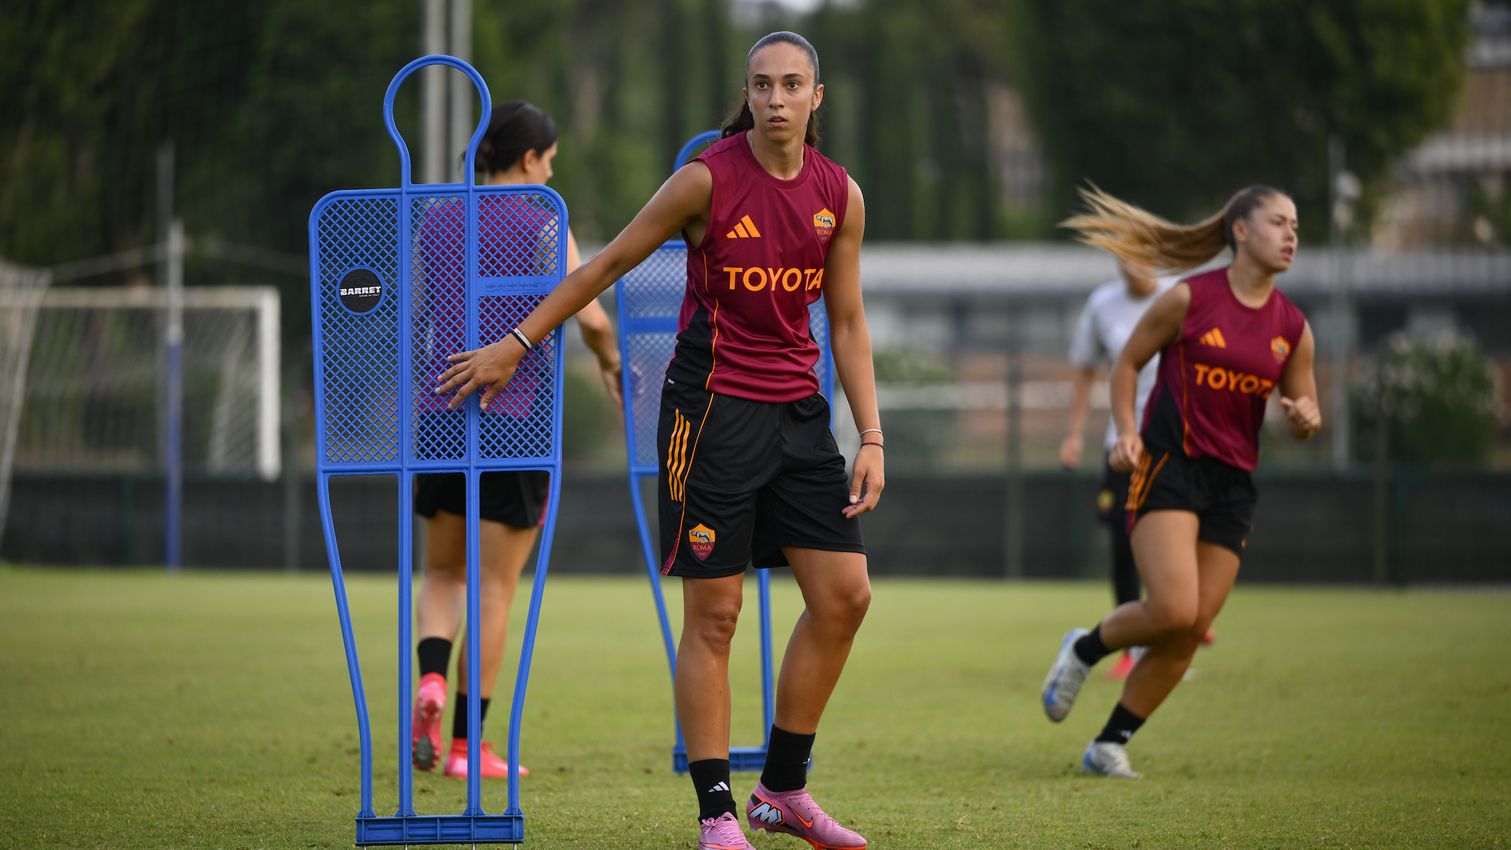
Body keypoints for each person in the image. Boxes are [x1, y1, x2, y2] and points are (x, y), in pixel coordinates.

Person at [436, 31, 881, 850]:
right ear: (745, 95)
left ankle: (781, 790)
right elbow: (601, 268)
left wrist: (873, 435)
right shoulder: (705, 180)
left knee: (845, 596)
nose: (775, 98)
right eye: (760, 85)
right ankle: (717, 813)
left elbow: (847, 320)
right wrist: (517, 342)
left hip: (800, 419)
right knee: (716, 616)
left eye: (790, 85)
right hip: (709, 417)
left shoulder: (839, 195)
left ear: (816, 98)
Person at [1040, 184, 1321, 779]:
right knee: (1172, 608)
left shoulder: (1293, 327)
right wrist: (1123, 431)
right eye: (1278, 222)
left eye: (1295, 224)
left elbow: (1305, 415)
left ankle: (1109, 743)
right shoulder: (1190, 299)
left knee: (1190, 627)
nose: (1291, 233)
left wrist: (1305, 418)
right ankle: (1084, 649)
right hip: (1169, 464)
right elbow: (1126, 365)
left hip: (1234, 485)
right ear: (1241, 231)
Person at [410, 100, 623, 781]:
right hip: (516, 421)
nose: (549, 174)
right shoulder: (543, 218)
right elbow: (587, 314)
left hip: (440, 412)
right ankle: (470, 750)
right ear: (530, 160)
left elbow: (419, 315)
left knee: (442, 573)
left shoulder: (437, 216)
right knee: (494, 589)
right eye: (550, 162)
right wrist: (611, 358)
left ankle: (432, 680)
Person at [1059, 259, 1176, 679]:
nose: (1133, 263)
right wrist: (1073, 434)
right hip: (1123, 447)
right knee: (1124, 545)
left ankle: (1184, 613)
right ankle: (1132, 650)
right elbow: (1086, 372)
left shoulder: (1180, 297)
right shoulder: (1103, 304)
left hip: (1177, 446)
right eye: (1123, 254)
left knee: (1181, 536)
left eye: (1142, 252)